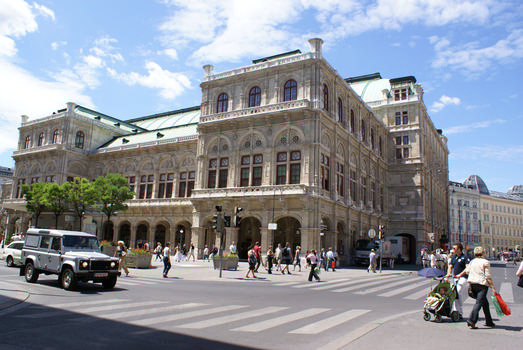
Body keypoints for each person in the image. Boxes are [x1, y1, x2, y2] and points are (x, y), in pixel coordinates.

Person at [456, 246, 497, 329]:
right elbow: (488, 276)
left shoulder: (472, 261)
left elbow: (467, 271)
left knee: (484, 303)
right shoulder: (485, 262)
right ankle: (472, 320)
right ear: (483, 253)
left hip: (472, 284)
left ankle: (489, 321)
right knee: (479, 303)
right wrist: (493, 287)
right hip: (482, 284)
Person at [445, 243, 469, 319]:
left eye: (454, 248)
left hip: (463, 278)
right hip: (454, 278)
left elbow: (467, 268)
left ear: (459, 249)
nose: (453, 250)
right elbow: (450, 266)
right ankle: (456, 311)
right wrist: (448, 273)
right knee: (453, 293)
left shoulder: (465, 257)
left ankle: (458, 311)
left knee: (457, 292)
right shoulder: (454, 257)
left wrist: (460, 274)